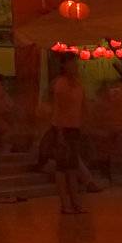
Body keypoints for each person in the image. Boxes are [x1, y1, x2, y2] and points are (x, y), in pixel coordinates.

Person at [50, 53, 86, 214]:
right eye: (72, 64)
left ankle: (75, 202)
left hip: (75, 128)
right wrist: (59, 133)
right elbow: (59, 110)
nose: (75, 67)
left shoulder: (78, 84)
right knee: (62, 168)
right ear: (64, 66)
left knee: (72, 167)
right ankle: (66, 203)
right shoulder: (61, 84)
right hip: (62, 129)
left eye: (75, 64)